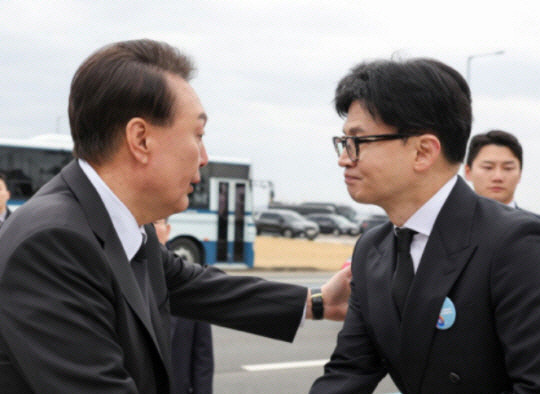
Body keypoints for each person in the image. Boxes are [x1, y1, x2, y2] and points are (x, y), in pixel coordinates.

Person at [0, 39, 350, 394]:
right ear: (141, 139)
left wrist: (318, 302)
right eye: (197, 135)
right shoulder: (52, 243)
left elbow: (190, 285)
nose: (204, 157)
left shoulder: (119, 224)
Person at [310, 58, 540, 393]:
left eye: (358, 141)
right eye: (343, 141)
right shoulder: (372, 250)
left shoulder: (515, 244)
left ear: (422, 152)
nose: (344, 158)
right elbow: (349, 372)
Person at [154, 218, 214, 394]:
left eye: (157, 223)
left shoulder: (189, 281)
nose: (151, 230)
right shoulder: (120, 276)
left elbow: (202, 359)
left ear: (168, 229)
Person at [464, 129, 522, 207]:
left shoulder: (532, 219)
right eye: (488, 167)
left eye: (508, 168)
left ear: (519, 174)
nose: (498, 177)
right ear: (468, 172)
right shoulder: (448, 218)